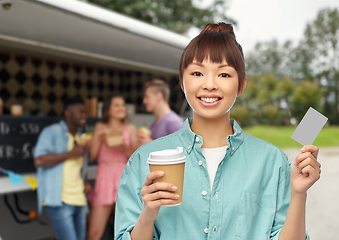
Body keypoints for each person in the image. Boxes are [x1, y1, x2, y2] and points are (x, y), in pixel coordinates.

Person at [115, 23, 321, 240]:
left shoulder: (272, 162)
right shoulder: (143, 161)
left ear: (241, 85)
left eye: (223, 75)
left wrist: (299, 193)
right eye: (197, 73)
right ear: (182, 82)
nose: (210, 85)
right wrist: (147, 215)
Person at [34, 97, 91, 240]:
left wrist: (85, 181)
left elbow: (78, 166)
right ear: (67, 113)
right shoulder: (51, 132)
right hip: (60, 200)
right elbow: (39, 160)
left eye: (85, 112)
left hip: (79, 199)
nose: (84, 116)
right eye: (80, 112)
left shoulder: (81, 137)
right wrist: (70, 153)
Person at [87, 95, 138, 240]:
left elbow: (135, 156)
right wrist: (98, 137)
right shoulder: (100, 127)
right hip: (105, 176)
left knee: (127, 229)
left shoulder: (131, 128)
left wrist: (125, 147)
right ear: (107, 110)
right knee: (94, 233)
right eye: (116, 105)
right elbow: (91, 156)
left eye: (123, 105)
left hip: (124, 175)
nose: (121, 108)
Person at [138, 79, 184, 145]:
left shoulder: (174, 122)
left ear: (158, 96)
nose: (144, 101)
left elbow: (182, 150)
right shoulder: (153, 125)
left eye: (147, 97)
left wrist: (151, 144)